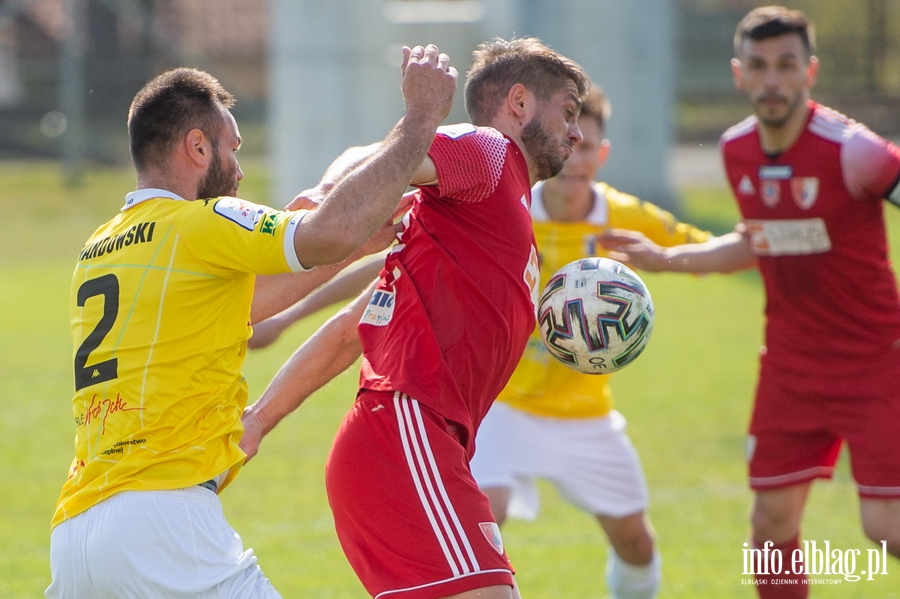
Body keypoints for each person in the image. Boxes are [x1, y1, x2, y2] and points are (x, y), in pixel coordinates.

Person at [245, 85, 711, 599]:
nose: (575, 144)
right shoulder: (490, 171)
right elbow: (390, 249)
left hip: (559, 415)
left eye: (585, 139)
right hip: (451, 419)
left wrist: (662, 258)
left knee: (634, 542)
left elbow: (701, 247)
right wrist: (292, 294)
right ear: (521, 105)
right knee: (489, 540)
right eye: (568, 124)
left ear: (602, 155)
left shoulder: (614, 215)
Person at [47, 45, 457, 599]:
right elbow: (324, 233)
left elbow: (245, 301)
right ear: (197, 146)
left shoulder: (100, 247)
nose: (240, 169)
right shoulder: (201, 220)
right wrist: (421, 119)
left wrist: (360, 241)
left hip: (77, 532)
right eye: (232, 149)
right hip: (164, 521)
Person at [242, 37, 590, 599]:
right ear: (519, 104)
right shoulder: (490, 153)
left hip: (413, 443)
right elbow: (376, 154)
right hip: (406, 434)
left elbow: (351, 330)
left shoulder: (484, 214)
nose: (577, 132)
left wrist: (260, 417)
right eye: (568, 112)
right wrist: (329, 193)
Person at [601, 6, 900, 597]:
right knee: (769, 527)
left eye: (786, 65)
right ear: (739, 75)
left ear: (809, 71)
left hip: (876, 364)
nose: (772, 80)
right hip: (789, 367)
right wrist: (667, 259)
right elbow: (757, 238)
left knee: (885, 528)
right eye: (759, 66)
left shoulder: (854, 153)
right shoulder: (736, 150)